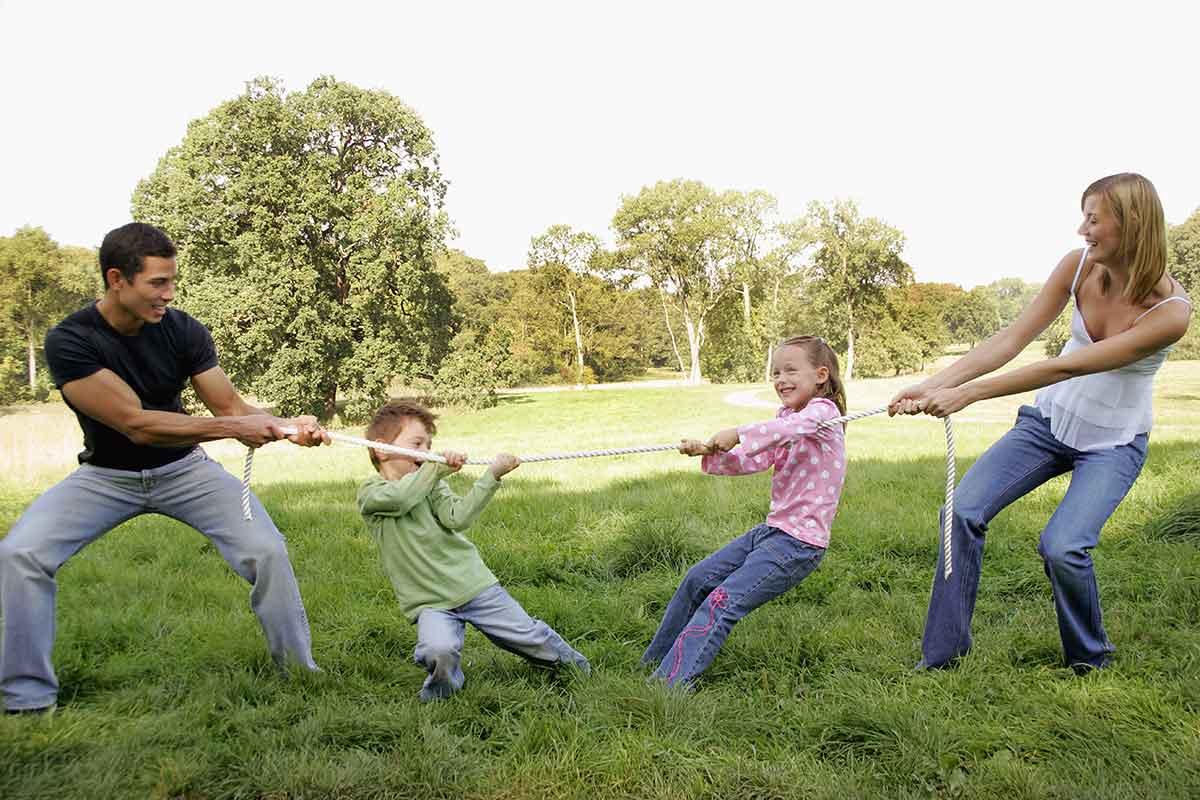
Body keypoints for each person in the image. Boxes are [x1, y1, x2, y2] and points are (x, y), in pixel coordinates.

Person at [0, 222, 329, 715]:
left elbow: (230, 405)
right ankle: (27, 699)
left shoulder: (183, 330)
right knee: (21, 553)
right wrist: (234, 427)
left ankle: (300, 672)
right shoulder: (72, 340)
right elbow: (137, 424)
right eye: (158, 283)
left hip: (184, 471)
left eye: (172, 281)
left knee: (267, 550)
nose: (169, 294)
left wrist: (287, 427)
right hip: (106, 477)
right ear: (117, 279)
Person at [890, 173, 1192, 673]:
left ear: (1133, 222)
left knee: (1063, 546)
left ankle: (1090, 661)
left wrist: (968, 394)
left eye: (1093, 219)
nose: (1082, 230)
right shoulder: (1078, 267)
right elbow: (1011, 339)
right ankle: (942, 657)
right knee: (961, 511)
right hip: (1048, 424)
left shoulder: (1170, 313)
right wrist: (933, 384)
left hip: (1113, 443)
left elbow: (1067, 366)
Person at [642, 335, 848, 688]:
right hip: (773, 532)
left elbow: (791, 428)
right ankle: (653, 663)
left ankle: (667, 685)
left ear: (820, 375)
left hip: (799, 545)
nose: (780, 379)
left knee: (721, 602)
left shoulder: (822, 415)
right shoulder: (788, 418)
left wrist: (738, 432)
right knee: (697, 580)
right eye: (775, 373)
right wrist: (708, 452)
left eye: (790, 371)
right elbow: (753, 460)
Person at [357, 400, 590, 702]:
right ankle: (441, 698)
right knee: (438, 650)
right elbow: (401, 498)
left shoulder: (431, 485)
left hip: (473, 585)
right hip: (430, 602)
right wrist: (435, 469)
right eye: (417, 443)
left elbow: (458, 517)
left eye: (429, 445)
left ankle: (577, 670)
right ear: (381, 449)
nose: (426, 450)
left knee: (528, 636)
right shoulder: (371, 493)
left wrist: (492, 475)